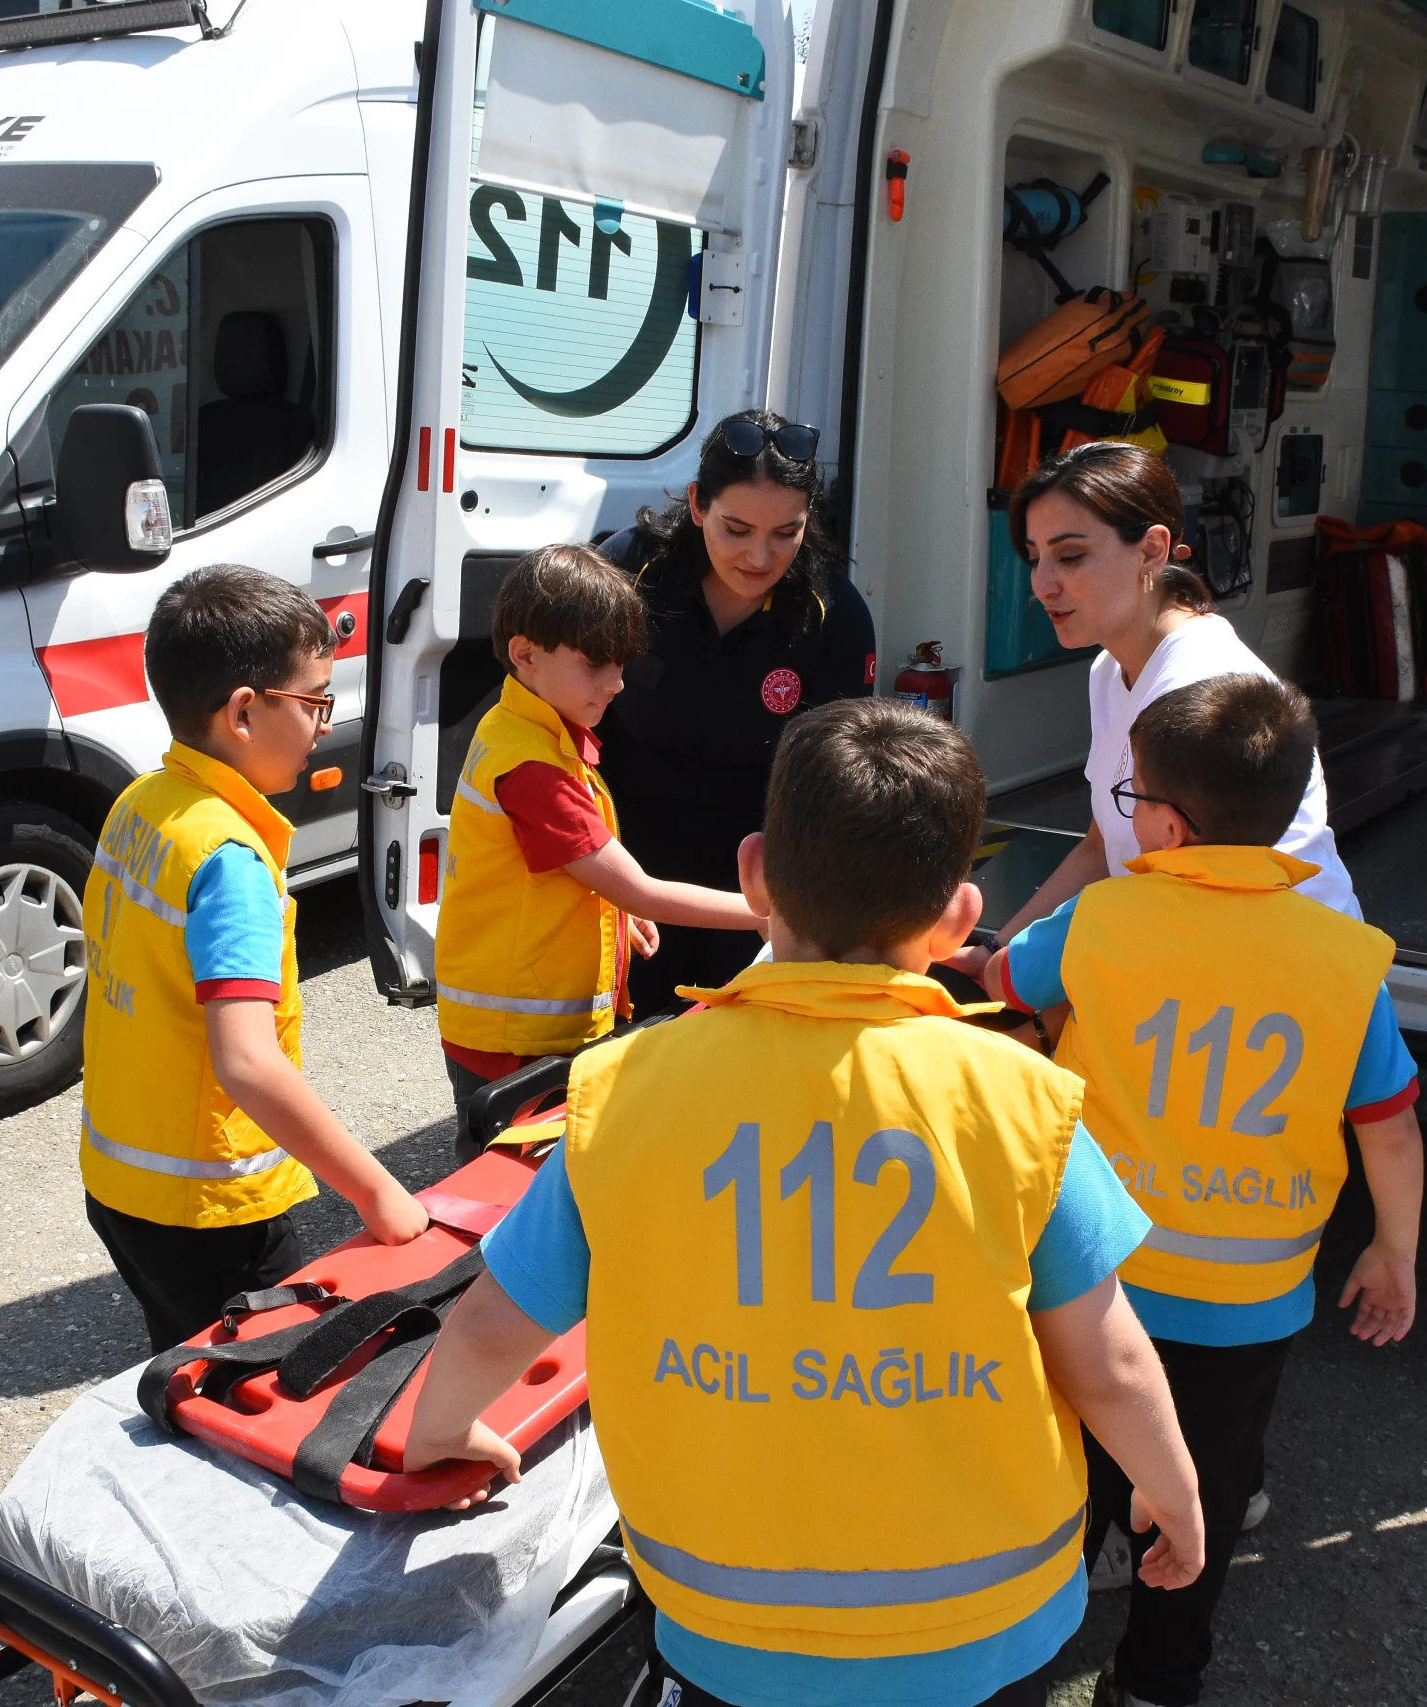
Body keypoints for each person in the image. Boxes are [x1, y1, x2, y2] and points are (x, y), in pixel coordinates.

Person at [402, 697, 1207, 1707]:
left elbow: (489, 1325)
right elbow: (1111, 1364)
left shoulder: (621, 1094)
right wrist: (1172, 1493)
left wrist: (436, 1433)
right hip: (984, 1622)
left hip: (723, 1625)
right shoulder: (1022, 1102)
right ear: (959, 917)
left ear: (752, 875)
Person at [971, 674, 1424, 1707]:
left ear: (1167, 825)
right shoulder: (1347, 962)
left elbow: (1006, 982)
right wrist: (1390, 1249)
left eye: (1130, 802)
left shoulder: (1100, 924)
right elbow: (1387, 1129)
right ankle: (1160, 1678)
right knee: (1207, 1484)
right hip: (1248, 1305)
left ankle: (1026, 1667)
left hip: (1094, 1286)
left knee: (1066, 1485)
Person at [80, 564, 429, 1354]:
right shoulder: (230, 859)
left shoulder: (144, 803)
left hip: (122, 1185)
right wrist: (375, 1192)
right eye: (314, 703)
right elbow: (245, 1059)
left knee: (184, 1360)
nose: (321, 726)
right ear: (244, 711)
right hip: (212, 1211)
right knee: (255, 1388)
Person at [434, 545, 758, 1150]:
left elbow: (562, 868)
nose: (617, 683)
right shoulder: (532, 767)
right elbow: (641, 887)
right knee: (514, 1198)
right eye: (596, 664)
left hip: (520, 1028)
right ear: (524, 654)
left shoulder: (523, 724)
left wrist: (617, 910)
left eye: (621, 663)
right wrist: (768, 914)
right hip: (516, 1042)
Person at [990, 442, 1356, 953]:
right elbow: (1102, 848)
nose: (1043, 584)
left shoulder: (1203, 689)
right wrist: (996, 953)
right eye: (1035, 559)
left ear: (1153, 549)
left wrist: (1016, 976)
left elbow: (1202, 905)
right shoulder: (1109, 669)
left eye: (1070, 556)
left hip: (1279, 979)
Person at [595, 410, 877, 1013]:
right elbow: (563, 723)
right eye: (737, 528)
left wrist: (804, 905)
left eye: (786, 533)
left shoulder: (835, 613)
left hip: (757, 887)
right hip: (624, 868)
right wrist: (597, 875)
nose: (759, 555)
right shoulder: (629, 570)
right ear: (697, 504)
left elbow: (839, 778)